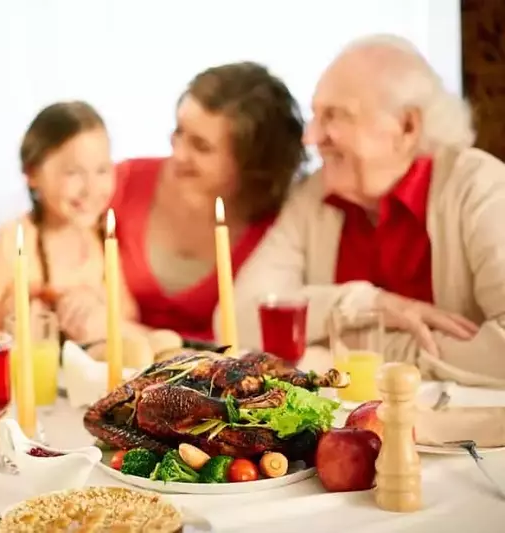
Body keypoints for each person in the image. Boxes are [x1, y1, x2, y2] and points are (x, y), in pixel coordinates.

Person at [229, 34, 505, 386]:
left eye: (334, 116)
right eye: (315, 114)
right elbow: (238, 316)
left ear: (406, 127)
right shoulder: (316, 195)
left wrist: (352, 348)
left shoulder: (480, 188)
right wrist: (365, 305)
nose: (310, 137)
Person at [59, 63, 306, 343]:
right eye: (179, 132)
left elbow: (247, 347)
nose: (178, 154)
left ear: (251, 163)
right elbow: (51, 241)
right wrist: (83, 292)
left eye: (201, 146)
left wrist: (126, 332)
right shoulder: (123, 183)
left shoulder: (280, 229)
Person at [0, 101, 137, 342]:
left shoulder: (102, 237)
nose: (91, 189)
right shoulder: (14, 240)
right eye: (73, 173)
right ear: (32, 174)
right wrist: (9, 315)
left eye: (102, 170)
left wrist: (98, 308)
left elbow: (128, 316)